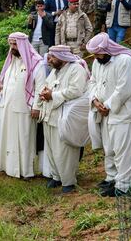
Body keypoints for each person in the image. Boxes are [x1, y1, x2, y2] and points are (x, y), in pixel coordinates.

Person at [86, 33, 131, 197]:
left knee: (123, 150)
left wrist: (108, 106)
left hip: (125, 113)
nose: (95, 57)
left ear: (106, 49)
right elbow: (93, 82)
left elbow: (124, 89)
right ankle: (112, 178)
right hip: (105, 112)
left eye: (98, 53)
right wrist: (95, 101)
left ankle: (123, 186)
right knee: (110, 148)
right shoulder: (98, 62)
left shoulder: (125, 61)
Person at [38, 45, 89, 193]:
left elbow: (76, 90)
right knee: (52, 149)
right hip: (49, 115)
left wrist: (52, 95)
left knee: (65, 151)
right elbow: (47, 86)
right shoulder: (55, 71)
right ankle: (56, 177)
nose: (50, 60)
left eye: (52, 57)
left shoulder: (76, 69)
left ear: (62, 57)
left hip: (65, 116)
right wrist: (44, 93)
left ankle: (68, 182)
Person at [0, 32, 46, 178]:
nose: (12, 47)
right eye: (10, 44)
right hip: (8, 108)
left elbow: (40, 86)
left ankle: (25, 170)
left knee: (24, 139)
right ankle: (8, 168)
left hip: (25, 108)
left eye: (15, 44)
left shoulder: (36, 62)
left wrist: (36, 106)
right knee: (8, 138)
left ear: (22, 44)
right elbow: (2, 77)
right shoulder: (11, 60)